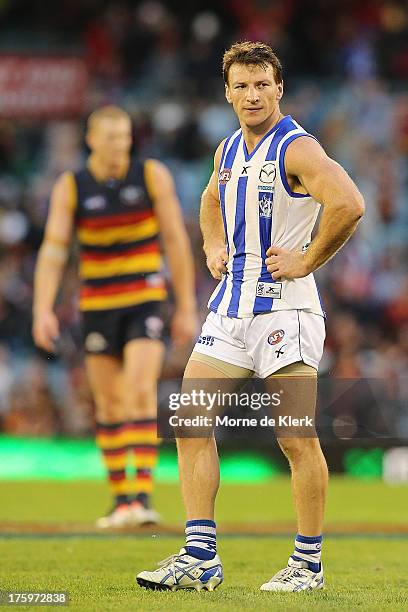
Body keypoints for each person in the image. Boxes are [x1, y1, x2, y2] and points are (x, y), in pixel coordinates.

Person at [136, 42, 364, 591]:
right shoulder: (229, 150)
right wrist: (214, 245)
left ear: (278, 88)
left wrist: (307, 258)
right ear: (228, 92)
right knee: (191, 423)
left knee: (294, 437)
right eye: (241, 86)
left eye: (261, 84)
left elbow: (349, 203)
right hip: (231, 308)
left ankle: (307, 564)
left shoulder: (297, 149)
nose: (252, 95)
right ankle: (200, 559)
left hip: (285, 308)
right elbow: (212, 199)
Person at [32, 105, 197, 528]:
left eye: (125, 136)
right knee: (107, 402)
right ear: (91, 140)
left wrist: (185, 306)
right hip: (98, 305)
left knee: (140, 390)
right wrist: (42, 308)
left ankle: (140, 498)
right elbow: (53, 251)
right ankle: (120, 499)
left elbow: (176, 241)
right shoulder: (71, 187)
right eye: (111, 137)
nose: (120, 145)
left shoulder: (151, 175)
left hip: (145, 298)